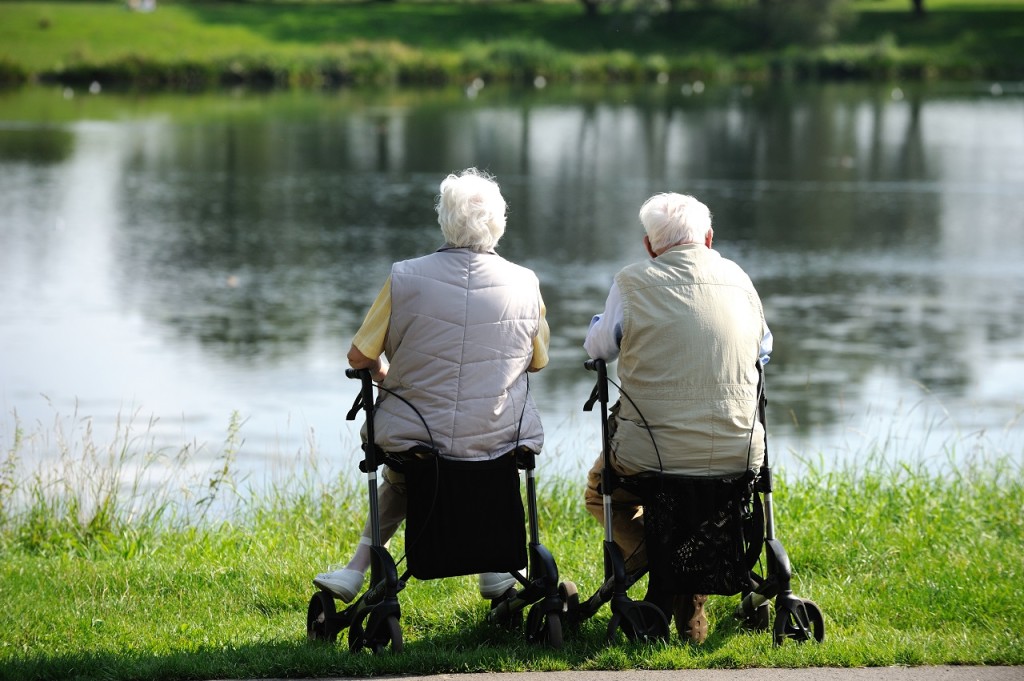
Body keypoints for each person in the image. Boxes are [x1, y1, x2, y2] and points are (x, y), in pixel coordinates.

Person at [314, 168, 549, 603]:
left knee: (404, 477)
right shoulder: (526, 283)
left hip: (419, 436)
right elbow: (536, 362)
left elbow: (359, 357)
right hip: (499, 436)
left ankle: (355, 571)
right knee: (488, 474)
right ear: (500, 222)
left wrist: (389, 378)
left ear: (445, 220)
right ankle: (498, 569)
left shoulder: (405, 277)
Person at [582, 192, 772, 643]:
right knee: (705, 506)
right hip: (737, 452)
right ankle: (689, 602)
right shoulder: (739, 280)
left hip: (650, 456)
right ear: (708, 238)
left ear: (649, 246)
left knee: (600, 493)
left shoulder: (631, 282)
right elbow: (765, 349)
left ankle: (660, 568)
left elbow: (599, 349)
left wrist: (600, 324)